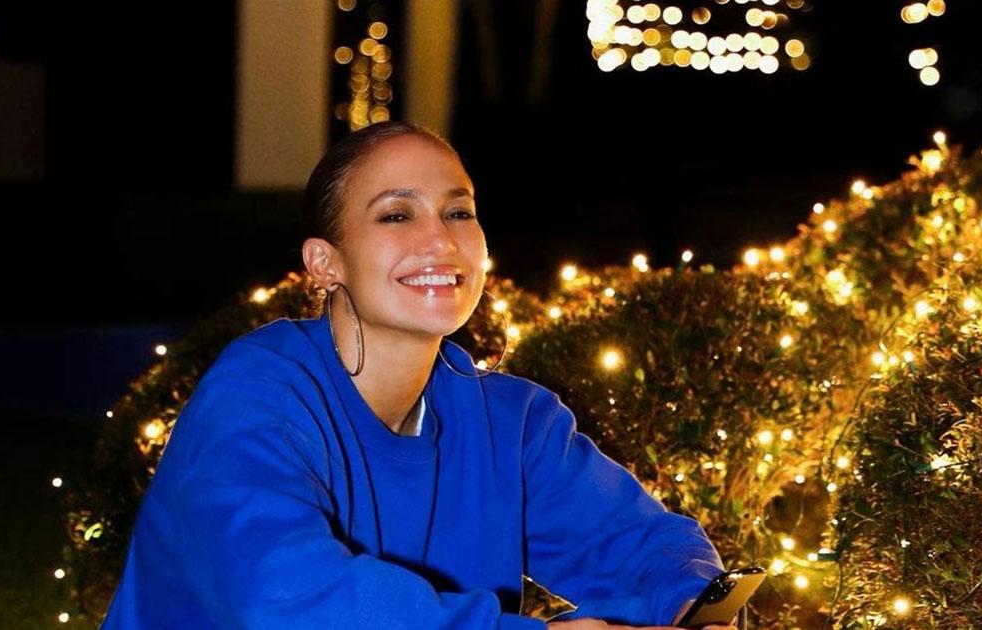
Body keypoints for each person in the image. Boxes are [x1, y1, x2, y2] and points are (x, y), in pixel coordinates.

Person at [101, 121, 735, 629]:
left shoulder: (514, 424)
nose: (441, 241)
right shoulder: (259, 394)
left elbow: (641, 546)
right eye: (397, 215)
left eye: (458, 213)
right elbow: (278, 597)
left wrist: (692, 603)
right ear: (325, 263)